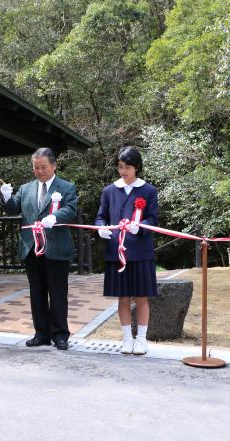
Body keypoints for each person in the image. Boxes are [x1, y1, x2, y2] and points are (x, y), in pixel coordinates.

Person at [1, 147, 78, 350]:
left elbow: (70, 209)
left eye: (43, 167)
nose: (40, 171)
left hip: (56, 247)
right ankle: (41, 333)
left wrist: (56, 217)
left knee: (58, 293)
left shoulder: (66, 187)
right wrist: (6, 197)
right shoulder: (26, 188)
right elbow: (13, 209)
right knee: (37, 293)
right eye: (36, 167)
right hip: (31, 247)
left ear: (54, 165)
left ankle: (60, 334)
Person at [94, 147, 158, 355]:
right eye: (120, 167)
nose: (123, 171)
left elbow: (153, 219)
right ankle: (127, 339)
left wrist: (140, 227)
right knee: (122, 297)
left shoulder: (149, 190)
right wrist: (101, 228)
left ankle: (141, 339)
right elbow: (100, 216)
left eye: (127, 167)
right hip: (116, 250)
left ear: (137, 167)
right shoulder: (109, 191)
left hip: (140, 251)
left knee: (141, 296)